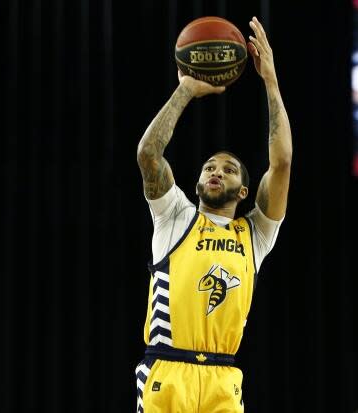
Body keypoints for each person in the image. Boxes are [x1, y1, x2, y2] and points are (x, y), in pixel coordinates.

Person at [134, 16, 292, 413]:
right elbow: (148, 155)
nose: (215, 170)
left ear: (244, 191)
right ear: (198, 181)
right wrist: (184, 90)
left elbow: (283, 161)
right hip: (169, 371)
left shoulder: (254, 234)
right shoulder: (175, 215)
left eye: (228, 168)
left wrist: (270, 82)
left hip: (223, 379)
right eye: (209, 167)